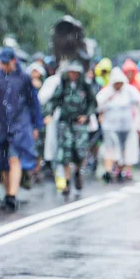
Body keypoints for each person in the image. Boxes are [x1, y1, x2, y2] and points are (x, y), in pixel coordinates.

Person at [0, 47, 42, 211]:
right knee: (2, 163)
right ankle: (7, 191)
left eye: (7, 62)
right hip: (1, 124)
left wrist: (37, 125)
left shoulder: (24, 78)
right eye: (2, 62)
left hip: (19, 125)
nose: (5, 66)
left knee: (14, 158)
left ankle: (11, 195)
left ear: (14, 61)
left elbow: (33, 102)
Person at [46, 60, 97, 198]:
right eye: (71, 72)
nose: (73, 75)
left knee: (80, 151)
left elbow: (93, 102)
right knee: (65, 151)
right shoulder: (63, 85)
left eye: (75, 72)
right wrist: (49, 114)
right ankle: (67, 182)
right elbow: (54, 100)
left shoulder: (85, 86)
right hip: (65, 122)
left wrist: (86, 115)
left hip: (79, 124)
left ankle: (78, 172)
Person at [96, 67, 140, 182]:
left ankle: (127, 169)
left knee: (128, 148)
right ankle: (111, 169)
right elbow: (97, 107)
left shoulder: (130, 91)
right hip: (110, 127)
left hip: (127, 126)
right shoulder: (106, 93)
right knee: (111, 148)